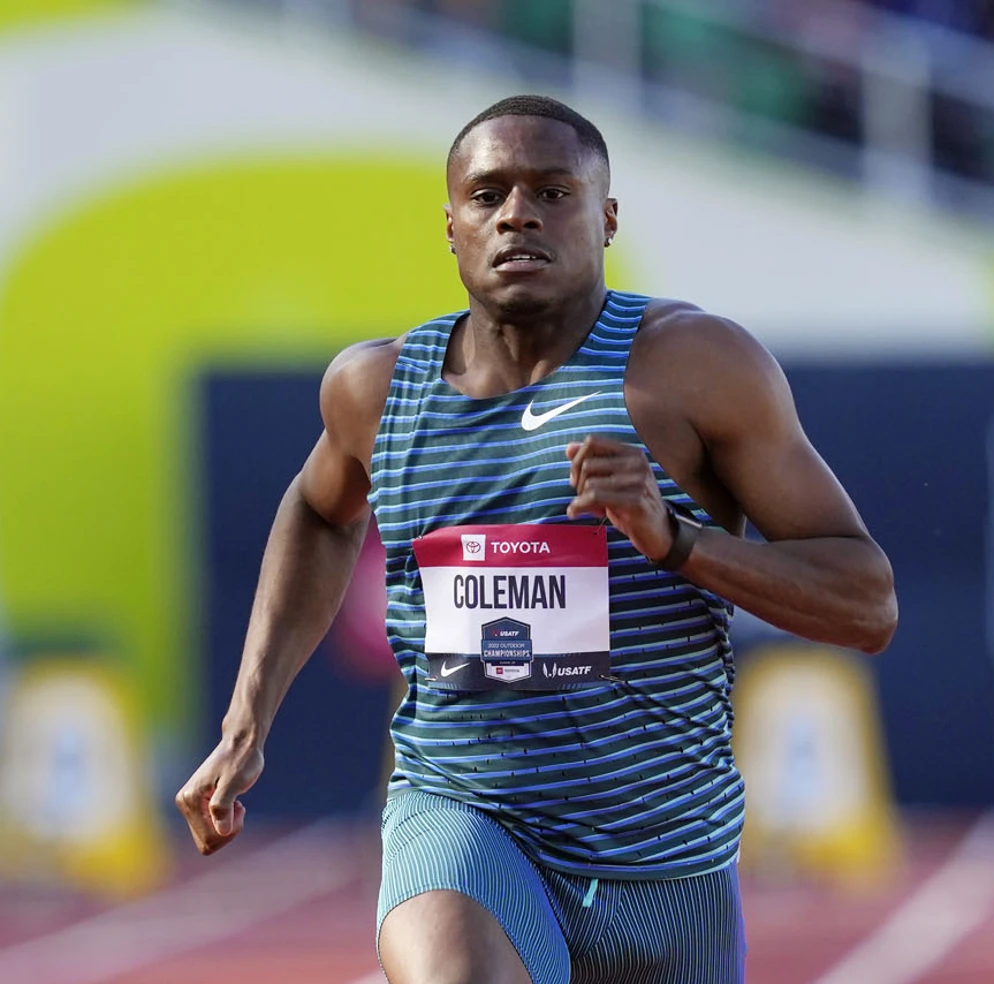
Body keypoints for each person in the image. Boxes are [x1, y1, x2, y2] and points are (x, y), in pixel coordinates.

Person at [175, 94, 898, 984]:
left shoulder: (694, 368)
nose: (517, 212)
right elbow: (319, 512)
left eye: (553, 191)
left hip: (667, 855)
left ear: (607, 217)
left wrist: (676, 540)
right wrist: (247, 721)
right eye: (488, 195)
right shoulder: (377, 388)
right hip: (463, 816)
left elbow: (867, 602)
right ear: (450, 226)